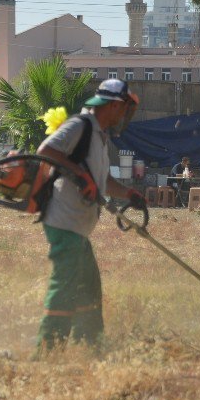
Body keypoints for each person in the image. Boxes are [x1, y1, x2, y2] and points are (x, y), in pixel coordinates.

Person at [34, 79, 146, 353]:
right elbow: (45, 151)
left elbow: (103, 180)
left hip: (78, 227)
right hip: (64, 221)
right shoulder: (80, 126)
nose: (123, 116)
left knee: (89, 289)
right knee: (66, 286)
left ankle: (90, 344)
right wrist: (81, 175)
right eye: (123, 109)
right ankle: (48, 350)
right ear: (113, 105)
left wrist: (128, 193)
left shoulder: (100, 136)